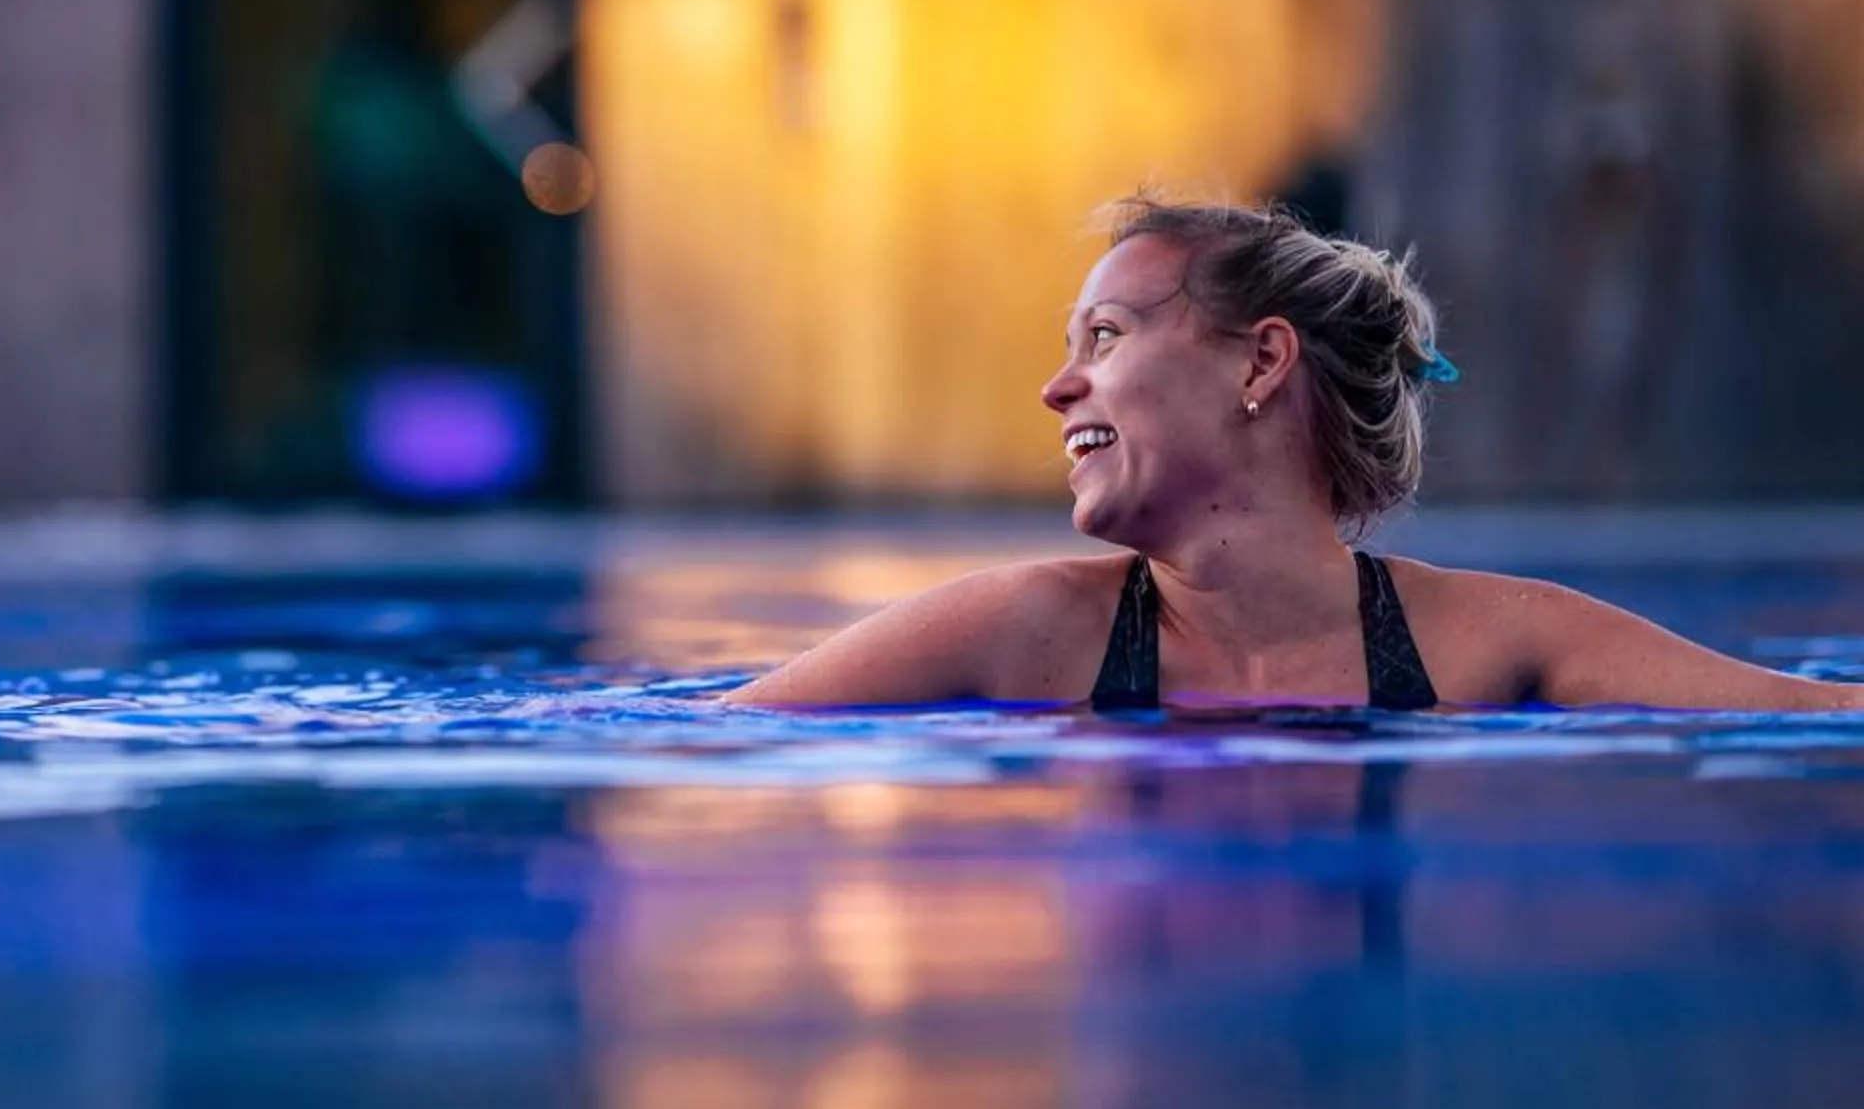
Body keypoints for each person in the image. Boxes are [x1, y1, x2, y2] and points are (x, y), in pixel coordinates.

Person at [732, 197, 1864, 713]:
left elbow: (1812, 718)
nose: (1056, 385)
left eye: (1106, 337)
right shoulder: (1021, 631)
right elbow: (715, 740)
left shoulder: (1493, 645)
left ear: (1261, 364)